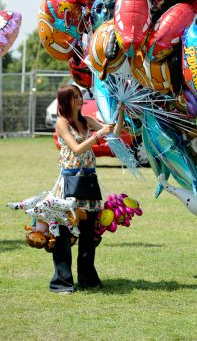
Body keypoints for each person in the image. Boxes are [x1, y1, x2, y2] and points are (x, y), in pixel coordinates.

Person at [50, 84, 124, 294]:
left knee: (88, 234)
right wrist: (98, 134)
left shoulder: (86, 120)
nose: (80, 100)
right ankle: (61, 283)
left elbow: (113, 134)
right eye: (75, 97)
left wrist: (120, 114)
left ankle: (88, 279)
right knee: (64, 235)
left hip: (89, 181)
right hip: (69, 183)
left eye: (80, 96)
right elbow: (77, 148)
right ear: (65, 100)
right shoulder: (62, 123)